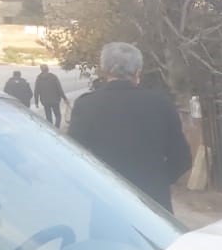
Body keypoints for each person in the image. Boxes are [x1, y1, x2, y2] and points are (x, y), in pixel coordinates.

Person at [67, 42, 191, 211]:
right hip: (153, 203)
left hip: (106, 201)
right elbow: (182, 159)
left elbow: (73, 158)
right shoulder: (160, 104)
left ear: (104, 70)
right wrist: (158, 181)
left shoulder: (86, 105)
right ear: (138, 72)